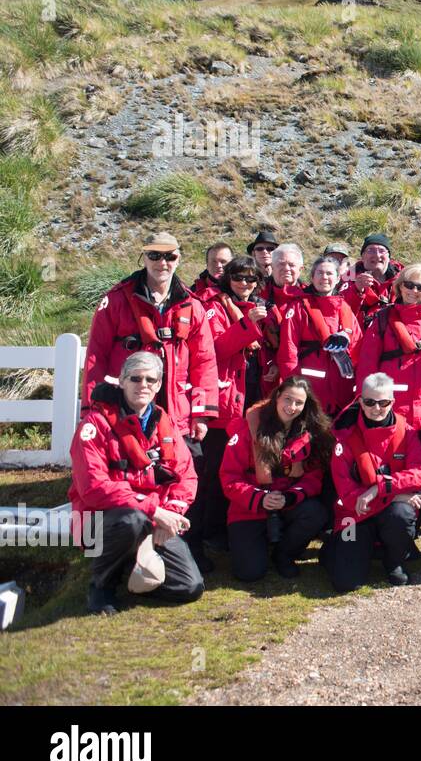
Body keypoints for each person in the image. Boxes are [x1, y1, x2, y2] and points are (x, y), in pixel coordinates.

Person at [70, 352, 205, 614]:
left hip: (154, 520)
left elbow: (187, 475)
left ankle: (133, 567)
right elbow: (93, 488)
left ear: (158, 386)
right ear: (121, 381)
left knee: (190, 587)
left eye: (150, 380)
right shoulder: (94, 425)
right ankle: (102, 584)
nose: (143, 384)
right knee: (132, 520)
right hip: (101, 522)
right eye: (136, 378)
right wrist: (154, 511)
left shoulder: (163, 422)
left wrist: (172, 515)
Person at [83, 232, 218, 452]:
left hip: (177, 415)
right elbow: (95, 358)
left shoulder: (192, 305)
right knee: (126, 474)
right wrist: (91, 408)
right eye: (155, 255)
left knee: (180, 478)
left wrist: (201, 414)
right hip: (125, 412)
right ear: (143, 257)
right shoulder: (116, 300)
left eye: (170, 257)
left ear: (179, 259)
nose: (162, 263)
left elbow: (204, 362)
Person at [186, 255, 269, 570]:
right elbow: (217, 348)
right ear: (227, 279)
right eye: (238, 278)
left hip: (250, 399)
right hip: (223, 404)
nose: (245, 284)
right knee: (212, 472)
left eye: (251, 279)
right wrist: (250, 324)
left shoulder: (254, 306)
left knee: (238, 468)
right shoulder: (214, 307)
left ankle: (222, 530)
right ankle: (205, 534)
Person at [219, 377, 332, 581]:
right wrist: (260, 498)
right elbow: (229, 478)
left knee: (315, 513)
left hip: (287, 503)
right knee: (249, 573)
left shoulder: (309, 434)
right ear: (277, 396)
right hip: (248, 508)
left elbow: (314, 477)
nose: (292, 407)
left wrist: (289, 497)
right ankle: (257, 545)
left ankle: (284, 554)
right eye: (288, 399)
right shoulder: (248, 430)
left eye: (299, 402)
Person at [325, 373, 421, 590]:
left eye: (383, 402)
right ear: (361, 402)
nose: (377, 408)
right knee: (345, 583)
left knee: (402, 514)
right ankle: (343, 548)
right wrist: (396, 496)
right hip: (353, 514)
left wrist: (378, 489)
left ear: (392, 402)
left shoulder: (407, 432)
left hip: (387, 510)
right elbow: (347, 494)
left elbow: (420, 473)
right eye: (370, 402)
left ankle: (394, 561)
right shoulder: (345, 438)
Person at [355, 262, 421, 443]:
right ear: (400, 286)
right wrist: (366, 402)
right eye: (409, 284)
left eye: (420, 287)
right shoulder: (382, 319)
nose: (413, 290)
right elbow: (367, 364)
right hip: (391, 408)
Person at [277, 256, 359, 416]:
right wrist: (293, 390)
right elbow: (288, 351)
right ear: (312, 278)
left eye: (329, 273)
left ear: (337, 279)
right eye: (320, 273)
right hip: (309, 393)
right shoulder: (298, 308)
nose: (324, 277)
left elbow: (358, 349)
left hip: (342, 393)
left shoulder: (346, 310)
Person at [256, 242, 307, 388]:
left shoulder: (310, 299)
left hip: (300, 374)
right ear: (271, 267)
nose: (286, 269)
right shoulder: (257, 296)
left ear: (301, 269)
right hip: (263, 374)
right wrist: (273, 362)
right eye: (280, 264)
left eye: (291, 265)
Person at [340, 233, 404, 327]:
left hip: (393, 335)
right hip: (360, 336)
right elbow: (339, 312)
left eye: (382, 251)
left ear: (389, 257)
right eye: (371, 250)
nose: (377, 255)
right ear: (363, 256)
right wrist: (356, 290)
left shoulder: (404, 280)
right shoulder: (349, 278)